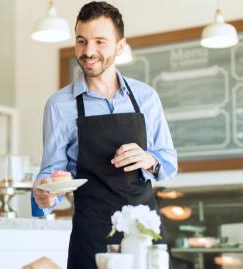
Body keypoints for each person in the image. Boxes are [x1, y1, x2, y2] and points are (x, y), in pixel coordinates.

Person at [31, 2, 178, 268]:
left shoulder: (146, 97)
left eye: (100, 41)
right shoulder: (59, 105)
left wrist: (149, 159)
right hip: (92, 235)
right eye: (81, 41)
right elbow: (52, 172)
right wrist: (43, 194)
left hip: (144, 233)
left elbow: (169, 161)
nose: (88, 51)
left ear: (120, 46)